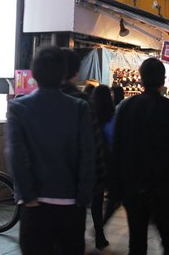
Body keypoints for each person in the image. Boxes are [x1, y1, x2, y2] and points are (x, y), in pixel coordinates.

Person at [7, 46, 95, 255]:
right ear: (63, 74)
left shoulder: (18, 107)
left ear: (34, 74)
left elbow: (16, 155)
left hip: (34, 205)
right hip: (70, 203)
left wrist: (28, 196)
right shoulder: (79, 107)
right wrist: (83, 197)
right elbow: (87, 154)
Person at [111, 58, 169, 255]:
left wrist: (116, 190)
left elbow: (117, 149)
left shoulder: (127, 107)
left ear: (141, 79)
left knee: (137, 242)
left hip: (134, 188)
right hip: (164, 188)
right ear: (163, 81)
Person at [60, 49, 107, 252]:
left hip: (42, 196)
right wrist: (96, 183)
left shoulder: (29, 104)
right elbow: (93, 149)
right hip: (75, 191)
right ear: (76, 73)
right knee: (72, 243)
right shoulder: (83, 104)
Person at [90, 84, 115, 250]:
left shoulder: (90, 116)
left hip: (94, 163)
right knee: (109, 200)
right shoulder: (112, 117)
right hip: (109, 165)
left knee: (95, 201)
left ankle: (99, 233)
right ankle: (99, 233)